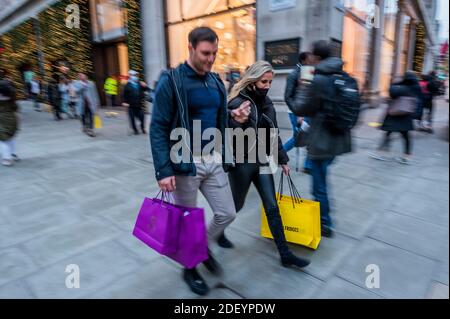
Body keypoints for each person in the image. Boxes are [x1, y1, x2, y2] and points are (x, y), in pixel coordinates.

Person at [150, 27, 239, 296]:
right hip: (185, 163)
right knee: (189, 222)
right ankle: (189, 267)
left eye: (214, 53)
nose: (211, 59)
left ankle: (202, 249)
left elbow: (220, 118)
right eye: (205, 53)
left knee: (227, 213)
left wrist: (236, 121)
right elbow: (158, 127)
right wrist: (163, 170)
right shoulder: (172, 80)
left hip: (213, 159)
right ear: (190, 47)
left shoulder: (216, 82)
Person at [221, 61, 311, 269]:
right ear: (253, 79)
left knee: (272, 206)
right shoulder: (237, 101)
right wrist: (235, 120)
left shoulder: (267, 102)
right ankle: (218, 231)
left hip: (261, 161)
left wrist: (282, 159)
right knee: (236, 206)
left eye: (270, 81)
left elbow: (273, 133)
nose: (268, 85)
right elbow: (223, 127)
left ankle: (285, 254)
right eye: (264, 81)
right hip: (242, 163)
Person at [288, 40, 356, 238]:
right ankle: (325, 218)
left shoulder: (316, 79)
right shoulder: (343, 76)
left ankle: (325, 223)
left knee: (319, 185)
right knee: (322, 176)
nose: (308, 57)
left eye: (311, 54)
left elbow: (300, 107)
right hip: (339, 139)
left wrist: (303, 87)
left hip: (321, 140)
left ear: (316, 57)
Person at [370, 71, 421, 165]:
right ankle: (407, 156)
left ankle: (381, 153)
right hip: (406, 116)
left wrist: (395, 83)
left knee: (388, 133)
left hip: (394, 114)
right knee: (405, 136)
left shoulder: (401, 87)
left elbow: (392, 92)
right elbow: (418, 102)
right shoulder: (415, 88)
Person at [283, 52, 313, 174]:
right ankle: (278, 154)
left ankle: (308, 166)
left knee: (309, 137)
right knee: (298, 138)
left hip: (307, 112)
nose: (311, 61)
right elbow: (288, 96)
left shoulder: (308, 72)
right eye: (309, 59)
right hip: (296, 112)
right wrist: (299, 112)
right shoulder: (293, 74)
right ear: (303, 60)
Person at [0, 71, 20, 166]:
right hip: (13, 119)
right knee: (10, 138)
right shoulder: (12, 98)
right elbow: (16, 108)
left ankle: (6, 158)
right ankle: (13, 153)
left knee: (3, 140)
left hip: (2, 120)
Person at [122, 70, 149, 135]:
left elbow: (146, 89)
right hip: (131, 105)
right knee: (132, 119)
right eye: (134, 75)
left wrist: (145, 86)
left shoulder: (140, 83)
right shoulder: (127, 85)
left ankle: (142, 128)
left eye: (136, 75)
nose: (135, 77)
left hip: (139, 105)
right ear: (130, 76)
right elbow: (124, 95)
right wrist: (125, 102)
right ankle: (135, 130)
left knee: (142, 117)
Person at [75, 73, 100, 137]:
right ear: (79, 78)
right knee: (83, 116)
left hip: (90, 103)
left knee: (91, 116)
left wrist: (97, 102)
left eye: (83, 75)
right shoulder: (77, 83)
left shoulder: (91, 83)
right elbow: (76, 92)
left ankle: (91, 130)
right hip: (82, 104)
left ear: (86, 76)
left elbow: (95, 93)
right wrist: (82, 86)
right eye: (80, 76)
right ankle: (84, 126)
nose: (83, 77)